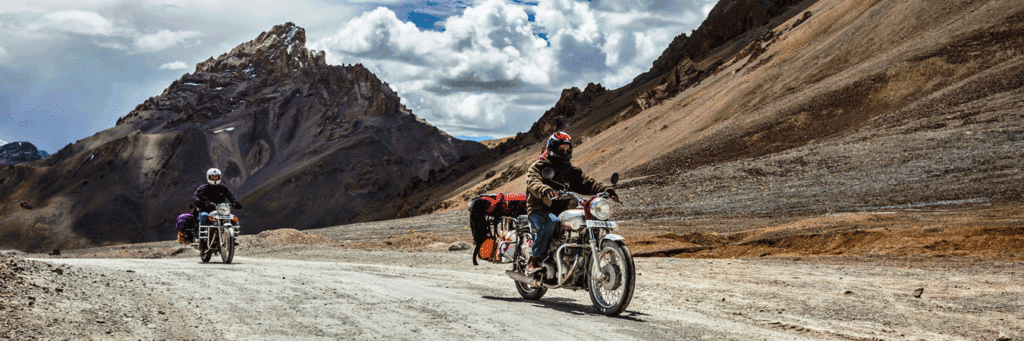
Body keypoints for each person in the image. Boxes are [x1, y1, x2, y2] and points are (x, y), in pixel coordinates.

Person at [524, 132, 618, 273]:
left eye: (568, 149)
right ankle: (534, 260)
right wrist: (544, 189)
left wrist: (606, 189)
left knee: (586, 221)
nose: (565, 151)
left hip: (565, 210)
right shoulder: (539, 166)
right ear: (552, 148)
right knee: (551, 222)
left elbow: (587, 183)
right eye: (562, 148)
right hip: (540, 208)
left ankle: (582, 262)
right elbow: (532, 180)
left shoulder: (571, 171)